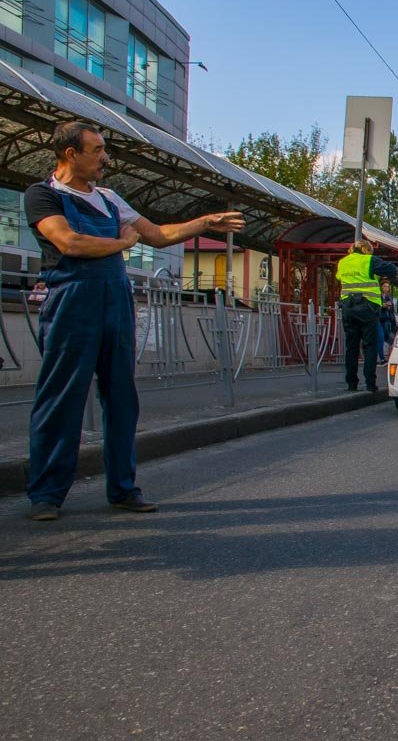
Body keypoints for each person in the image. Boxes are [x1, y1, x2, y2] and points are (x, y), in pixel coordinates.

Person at [24, 121, 245, 521]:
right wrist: (124, 244)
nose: (105, 157)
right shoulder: (43, 196)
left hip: (115, 302)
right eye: (97, 150)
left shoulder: (110, 198)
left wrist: (203, 223)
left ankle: (123, 489)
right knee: (61, 397)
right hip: (71, 302)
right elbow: (68, 242)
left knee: (122, 398)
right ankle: (46, 494)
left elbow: (158, 235)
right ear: (70, 154)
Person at [336, 239, 397, 392]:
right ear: (366, 249)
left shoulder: (343, 262)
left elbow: (339, 278)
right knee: (369, 346)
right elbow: (391, 270)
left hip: (348, 308)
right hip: (367, 307)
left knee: (351, 346)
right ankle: (370, 383)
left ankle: (351, 383)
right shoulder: (369, 260)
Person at [377, 280, 398, 360]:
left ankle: (381, 357)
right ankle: (382, 358)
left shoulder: (388, 297)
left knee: (385, 339)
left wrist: (389, 306)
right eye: (385, 286)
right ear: (381, 287)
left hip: (386, 320)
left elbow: (392, 309)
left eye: (388, 287)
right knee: (380, 338)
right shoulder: (378, 296)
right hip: (378, 320)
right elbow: (376, 307)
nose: (386, 288)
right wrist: (382, 306)